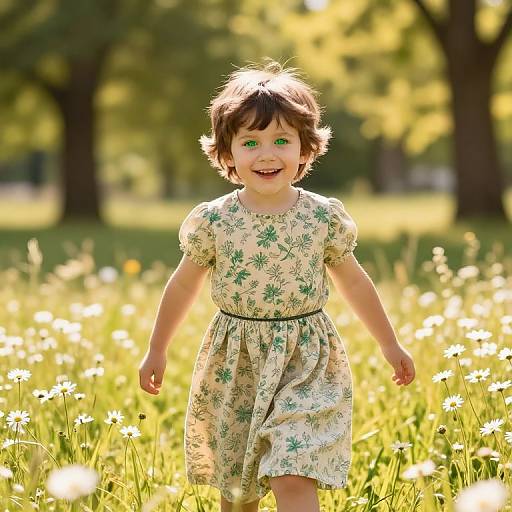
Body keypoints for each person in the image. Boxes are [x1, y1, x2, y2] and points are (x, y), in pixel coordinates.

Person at [139, 58, 416, 512]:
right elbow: (183, 286)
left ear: (305, 150)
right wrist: (157, 349)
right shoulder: (215, 221)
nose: (267, 154)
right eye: (251, 142)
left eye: (282, 141)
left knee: (293, 471)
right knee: (238, 490)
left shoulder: (322, 217)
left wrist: (390, 344)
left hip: (306, 359)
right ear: (227, 155)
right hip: (237, 359)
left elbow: (354, 282)